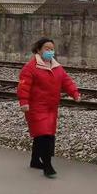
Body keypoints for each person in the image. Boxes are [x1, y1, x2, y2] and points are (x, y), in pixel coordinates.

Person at [17, 38, 81, 178]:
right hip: (36, 107)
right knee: (45, 135)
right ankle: (47, 165)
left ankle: (35, 160)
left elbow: (66, 81)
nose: (50, 51)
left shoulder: (56, 66)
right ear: (39, 50)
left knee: (43, 135)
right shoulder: (31, 67)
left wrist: (75, 93)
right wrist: (24, 102)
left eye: (52, 49)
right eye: (47, 48)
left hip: (51, 108)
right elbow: (24, 86)